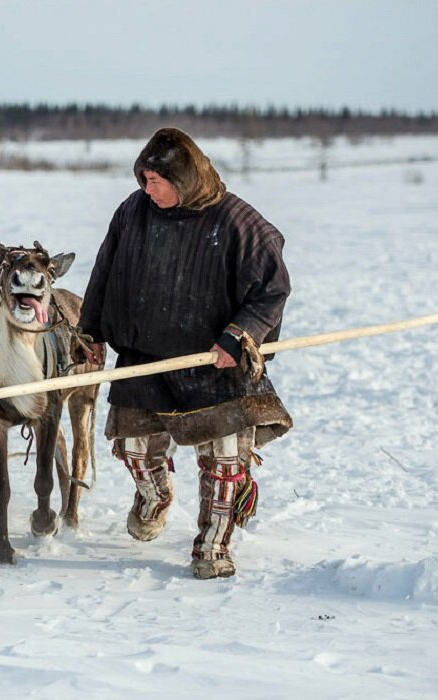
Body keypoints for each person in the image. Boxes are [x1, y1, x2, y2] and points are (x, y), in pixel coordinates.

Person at [79, 127, 293, 580]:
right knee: (133, 449)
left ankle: (213, 547)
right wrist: (92, 331)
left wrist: (240, 335)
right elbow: (105, 270)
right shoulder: (133, 213)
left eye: (156, 181)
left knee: (225, 463)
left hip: (216, 364)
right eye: (143, 179)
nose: (146, 188)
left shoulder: (237, 221)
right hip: (145, 358)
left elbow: (272, 287)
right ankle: (154, 496)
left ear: (186, 179)